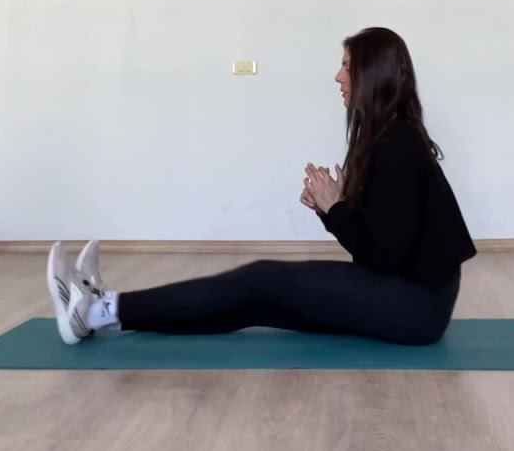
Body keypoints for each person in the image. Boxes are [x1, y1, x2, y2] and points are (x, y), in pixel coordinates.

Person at [46, 27, 477, 346]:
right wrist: (337, 207)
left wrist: (336, 209)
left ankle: (99, 307)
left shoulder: (397, 142)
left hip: (416, 307)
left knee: (260, 278)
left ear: (373, 74)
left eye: (348, 67)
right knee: (257, 303)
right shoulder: (387, 137)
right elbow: (382, 245)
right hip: (410, 299)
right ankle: (103, 315)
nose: (338, 77)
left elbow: (382, 257)